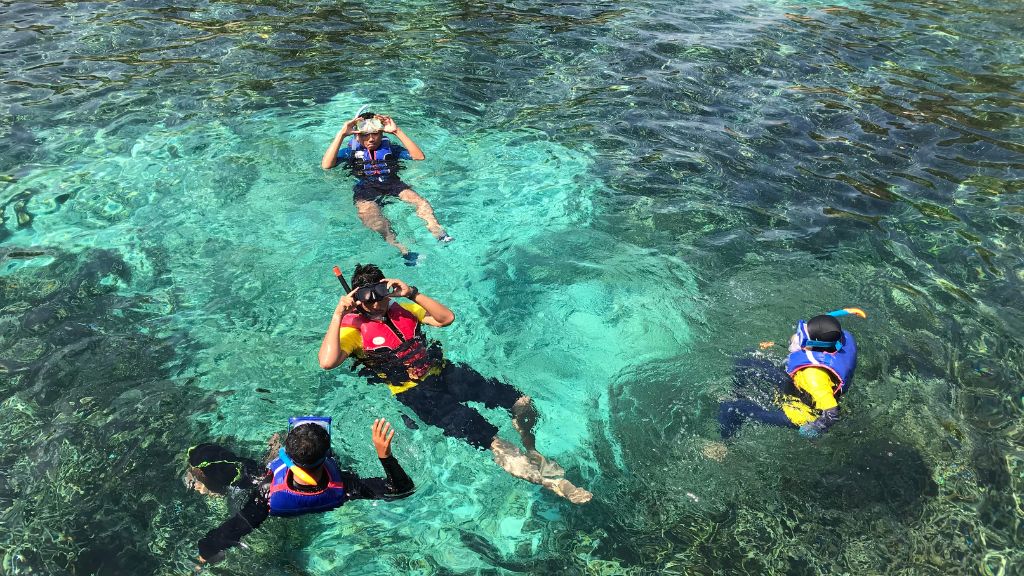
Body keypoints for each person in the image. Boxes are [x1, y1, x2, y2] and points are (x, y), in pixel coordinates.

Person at [318, 263, 592, 504]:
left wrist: (411, 292)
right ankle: (554, 483)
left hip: (446, 372)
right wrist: (338, 313)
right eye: (369, 298)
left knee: (522, 402)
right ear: (357, 299)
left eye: (381, 293)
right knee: (494, 442)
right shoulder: (353, 330)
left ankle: (531, 448)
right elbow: (327, 362)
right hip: (416, 394)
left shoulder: (403, 308)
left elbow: (445, 319)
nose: (377, 302)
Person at [187, 417, 413, 567]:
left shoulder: (266, 495)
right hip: (323, 490)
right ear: (328, 456)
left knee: (206, 458)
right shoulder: (346, 486)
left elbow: (228, 532)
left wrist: (204, 554)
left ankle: (264, 452)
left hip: (274, 492)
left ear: (287, 456)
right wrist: (385, 455)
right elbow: (401, 490)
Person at [321, 112, 452, 266]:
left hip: (392, 183)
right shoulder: (350, 152)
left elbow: (419, 157)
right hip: (365, 189)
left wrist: (397, 131)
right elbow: (326, 165)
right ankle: (404, 250)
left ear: (382, 132)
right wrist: (341, 134)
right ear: (357, 136)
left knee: (420, 202)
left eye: (375, 133)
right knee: (373, 220)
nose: (370, 139)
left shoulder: (392, 149)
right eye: (364, 135)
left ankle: (438, 232)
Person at [717, 309, 864, 440]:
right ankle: (738, 393)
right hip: (798, 386)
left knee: (730, 407)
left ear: (812, 345)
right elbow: (823, 325)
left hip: (799, 414)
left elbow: (832, 411)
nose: (794, 337)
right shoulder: (833, 343)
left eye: (800, 337)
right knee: (746, 360)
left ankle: (722, 444)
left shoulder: (813, 376)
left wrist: (816, 428)